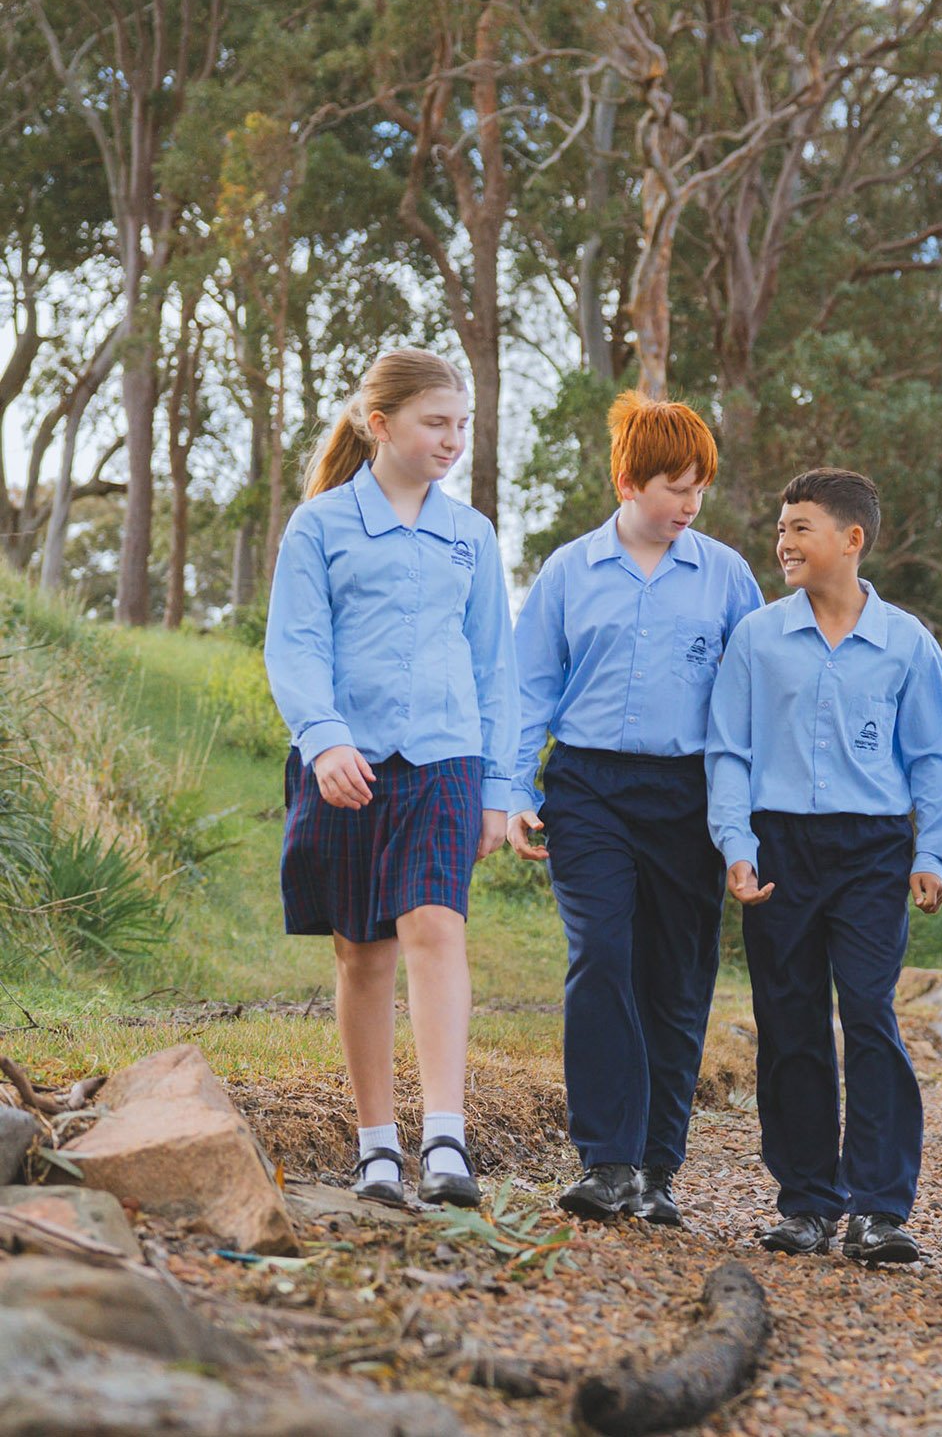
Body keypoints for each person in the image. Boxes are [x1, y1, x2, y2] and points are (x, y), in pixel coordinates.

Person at [264, 348, 516, 1209]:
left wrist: (500, 788)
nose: (452, 440)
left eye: (461, 425)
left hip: (446, 757)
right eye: (435, 423)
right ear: (382, 425)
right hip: (346, 764)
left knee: (436, 926)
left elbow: (496, 667)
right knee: (362, 954)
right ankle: (378, 1148)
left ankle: (445, 1136)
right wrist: (325, 739)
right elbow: (295, 645)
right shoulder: (321, 525)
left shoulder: (471, 534)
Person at [506, 392, 762, 1226]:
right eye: (672, 485)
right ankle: (606, 1158)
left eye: (699, 487)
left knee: (678, 980)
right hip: (588, 791)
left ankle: (657, 1168)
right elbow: (530, 690)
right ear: (626, 480)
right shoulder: (568, 572)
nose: (689, 503)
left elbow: (754, 704)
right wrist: (514, 790)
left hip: (688, 795)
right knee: (603, 954)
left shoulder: (726, 577)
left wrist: (743, 823)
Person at [706, 468, 942, 1264]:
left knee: (867, 1014)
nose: (783, 541)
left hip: (872, 851)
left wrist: (933, 852)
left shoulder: (906, 643)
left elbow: (937, 758)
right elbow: (728, 749)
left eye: (801, 527)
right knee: (789, 1027)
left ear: (852, 540)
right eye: (781, 527)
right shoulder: (757, 637)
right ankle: (808, 1202)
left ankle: (881, 1208)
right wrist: (737, 843)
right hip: (779, 844)